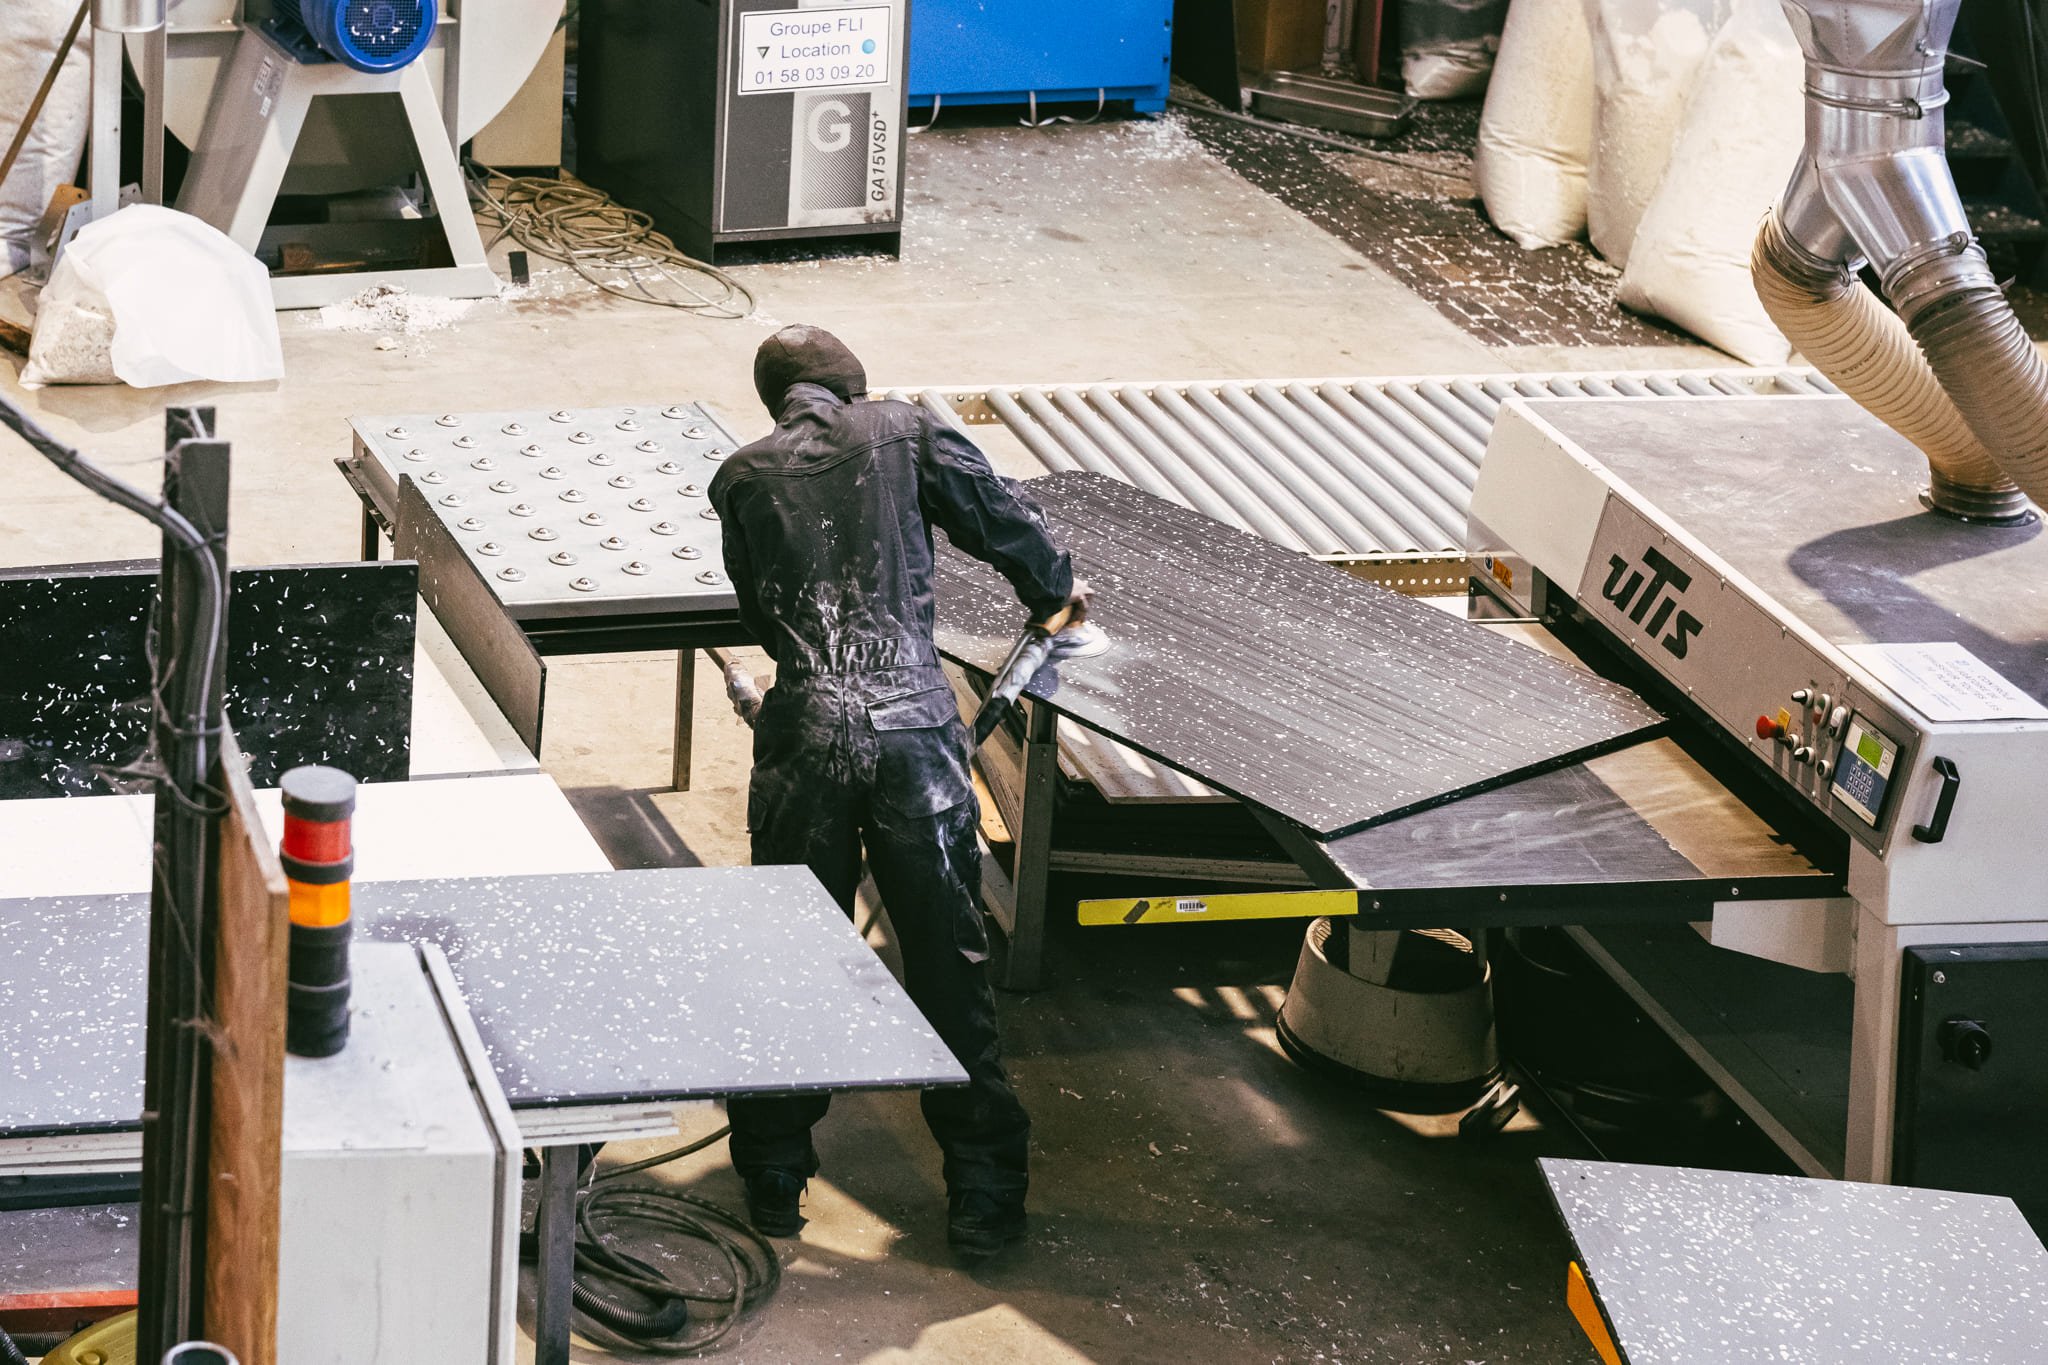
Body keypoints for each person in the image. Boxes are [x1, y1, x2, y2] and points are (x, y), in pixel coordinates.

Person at [708, 324, 1090, 1258]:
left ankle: (772, 1177)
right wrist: (1053, 597)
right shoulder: (908, 431)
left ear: (778, 401)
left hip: (806, 742)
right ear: (852, 382)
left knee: (793, 958)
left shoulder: (742, 477)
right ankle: (985, 1197)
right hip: (914, 734)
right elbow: (1001, 521)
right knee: (947, 966)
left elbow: (761, 610)